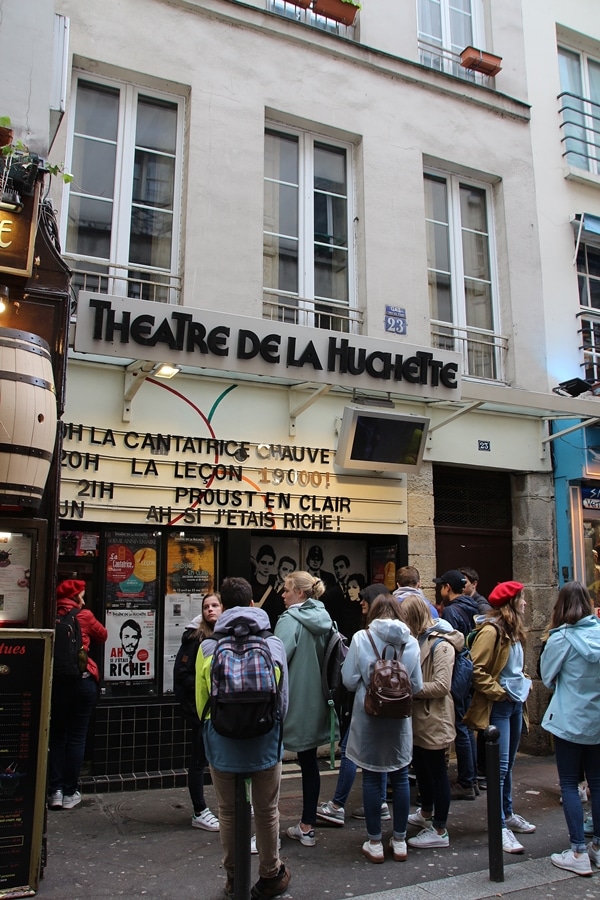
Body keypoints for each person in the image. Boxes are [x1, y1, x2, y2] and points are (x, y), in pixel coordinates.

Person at [195, 577, 290, 900]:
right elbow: (283, 700)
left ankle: (234, 877)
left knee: (228, 812)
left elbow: (202, 703)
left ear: (223, 604)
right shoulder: (272, 644)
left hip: (222, 743)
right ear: (252, 604)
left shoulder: (208, 646)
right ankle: (270, 874)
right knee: (267, 810)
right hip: (265, 740)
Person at [341, 594, 422, 864]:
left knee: (373, 778)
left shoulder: (361, 638)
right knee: (400, 777)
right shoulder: (410, 642)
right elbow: (418, 685)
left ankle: (374, 841)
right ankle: (399, 840)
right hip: (399, 721)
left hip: (369, 718)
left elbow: (350, 680)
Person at [463, 580, 535, 854]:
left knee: (509, 765)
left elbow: (514, 668)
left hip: (515, 703)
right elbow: (476, 668)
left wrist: (523, 683)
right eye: (522, 598)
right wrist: (499, 692)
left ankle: (507, 813)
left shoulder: (513, 631)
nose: (526, 603)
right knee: (499, 768)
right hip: (500, 706)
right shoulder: (492, 631)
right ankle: (499, 827)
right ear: (511, 603)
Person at [317, 585, 390, 828]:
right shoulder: (405, 636)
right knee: (381, 754)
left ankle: (337, 806)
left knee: (349, 750)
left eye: (364, 600)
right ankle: (380, 804)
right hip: (392, 708)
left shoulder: (363, 637)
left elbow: (348, 679)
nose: (361, 603)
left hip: (365, 704)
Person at [540, 581, 600, 877]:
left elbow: (548, 677)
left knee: (569, 784)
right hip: (597, 719)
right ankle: (598, 847)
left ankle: (577, 850)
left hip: (569, 719)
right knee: (598, 782)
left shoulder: (560, 639)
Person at [398, 594, 462, 849]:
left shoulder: (441, 645)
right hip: (419, 717)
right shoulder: (416, 641)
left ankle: (440, 829)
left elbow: (442, 685)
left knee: (437, 772)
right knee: (422, 767)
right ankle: (426, 812)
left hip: (434, 717)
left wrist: (410, 688)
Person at [274, 570, 334, 847]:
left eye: (286, 590)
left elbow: (276, 661)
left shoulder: (289, 620)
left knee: (268, 766)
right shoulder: (325, 618)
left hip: (289, 701)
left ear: (300, 592)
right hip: (317, 701)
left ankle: (263, 828)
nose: (282, 595)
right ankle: (307, 826)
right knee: (310, 764)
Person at [48, 579, 108, 810]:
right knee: (77, 736)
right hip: (82, 682)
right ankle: (70, 792)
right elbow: (102, 635)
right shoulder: (84, 615)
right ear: (76, 596)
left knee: (57, 735)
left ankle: (55, 791)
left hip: (58, 683)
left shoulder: (50, 613)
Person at [174, 591, 223, 831]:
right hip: (201, 710)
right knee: (198, 760)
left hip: (219, 709)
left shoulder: (224, 635)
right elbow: (182, 675)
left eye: (215, 605)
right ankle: (199, 810)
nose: (210, 610)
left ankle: (232, 804)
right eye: (206, 606)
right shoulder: (195, 638)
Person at [434, 569, 478, 800]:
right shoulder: (474, 606)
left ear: (447, 588)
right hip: (469, 670)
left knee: (460, 725)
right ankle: (471, 778)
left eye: (441, 585)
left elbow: (450, 644)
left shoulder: (451, 611)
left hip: (457, 671)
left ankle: (466, 782)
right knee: (466, 726)